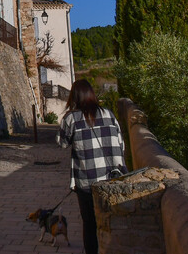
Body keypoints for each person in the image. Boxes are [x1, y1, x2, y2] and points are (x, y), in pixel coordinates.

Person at [56, 79, 126, 254]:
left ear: (75, 97)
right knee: (112, 221)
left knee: (89, 223)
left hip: (87, 182)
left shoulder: (71, 118)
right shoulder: (109, 114)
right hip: (113, 178)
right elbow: (121, 144)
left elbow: (62, 143)